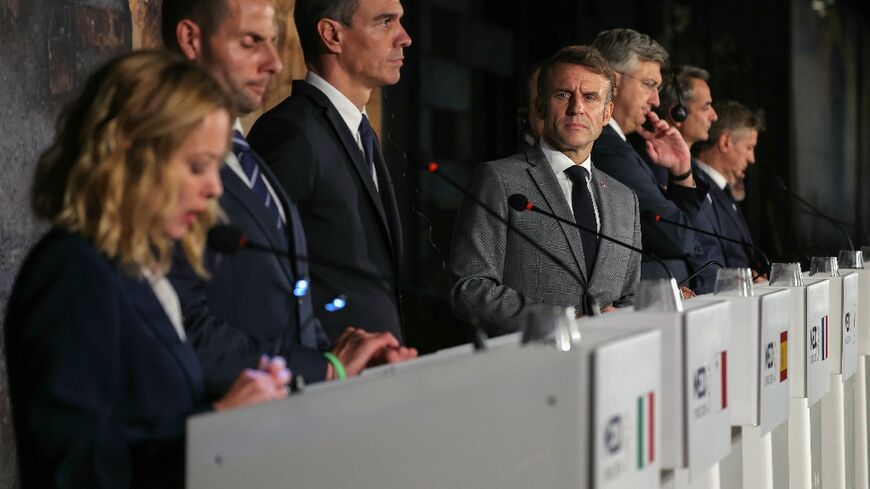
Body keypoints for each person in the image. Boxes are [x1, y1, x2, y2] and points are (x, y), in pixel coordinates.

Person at [4, 50, 289, 489]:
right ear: (131, 155)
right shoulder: (74, 273)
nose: (215, 187)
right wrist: (219, 421)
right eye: (198, 166)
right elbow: (72, 468)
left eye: (216, 165)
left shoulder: (138, 269)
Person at [162, 0, 415, 398]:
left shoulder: (352, 135)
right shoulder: (289, 133)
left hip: (328, 383)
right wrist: (323, 368)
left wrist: (337, 360)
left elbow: (285, 282)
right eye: (250, 42)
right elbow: (205, 306)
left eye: (273, 42)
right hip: (247, 407)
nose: (276, 64)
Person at [247, 0, 412, 343]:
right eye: (385, 22)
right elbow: (258, 272)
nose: (404, 38)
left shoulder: (359, 131)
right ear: (332, 35)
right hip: (330, 372)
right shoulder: (291, 132)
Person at [450, 45, 641, 336]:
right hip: (531, 366)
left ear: (606, 113)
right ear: (539, 107)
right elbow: (470, 288)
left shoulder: (625, 200)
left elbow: (629, 295)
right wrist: (562, 321)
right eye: (563, 94)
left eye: (590, 98)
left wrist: (624, 316)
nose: (577, 107)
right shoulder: (499, 180)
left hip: (607, 365)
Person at [590, 29, 710, 290]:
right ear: (612, 80)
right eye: (649, 85)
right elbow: (676, 236)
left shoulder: (620, 145)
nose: (655, 100)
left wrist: (681, 172)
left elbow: (680, 230)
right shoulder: (607, 148)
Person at [656, 65, 723, 292]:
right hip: (697, 295)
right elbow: (682, 236)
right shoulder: (660, 169)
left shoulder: (699, 171)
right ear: (678, 113)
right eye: (706, 107)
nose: (714, 115)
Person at [695, 100, 766, 271]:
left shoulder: (726, 191)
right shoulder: (694, 186)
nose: (752, 158)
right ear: (725, 142)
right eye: (749, 147)